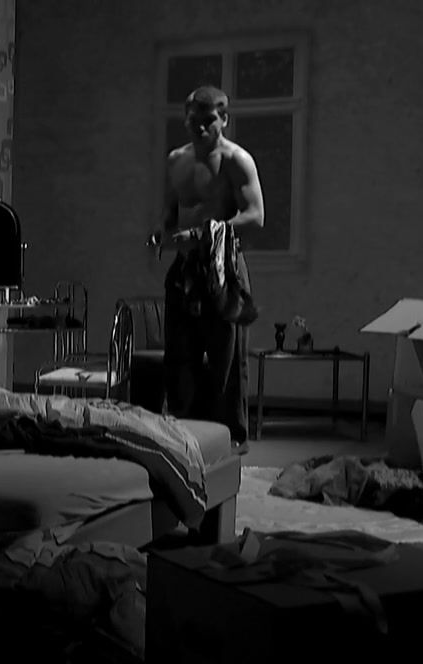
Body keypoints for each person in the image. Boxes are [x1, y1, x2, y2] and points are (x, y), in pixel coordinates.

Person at [151, 85, 265, 453]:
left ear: (224, 119)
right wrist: (163, 234)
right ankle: (182, 438)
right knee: (179, 355)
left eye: (208, 120)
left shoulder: (237, 160)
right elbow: (169, 212)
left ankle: (230, 440)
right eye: (193, 120)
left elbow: (255, 216)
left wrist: (202, 234)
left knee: (226, 360)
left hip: (223, 265)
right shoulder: (176, 160)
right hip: (185, 268)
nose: (200, 127)